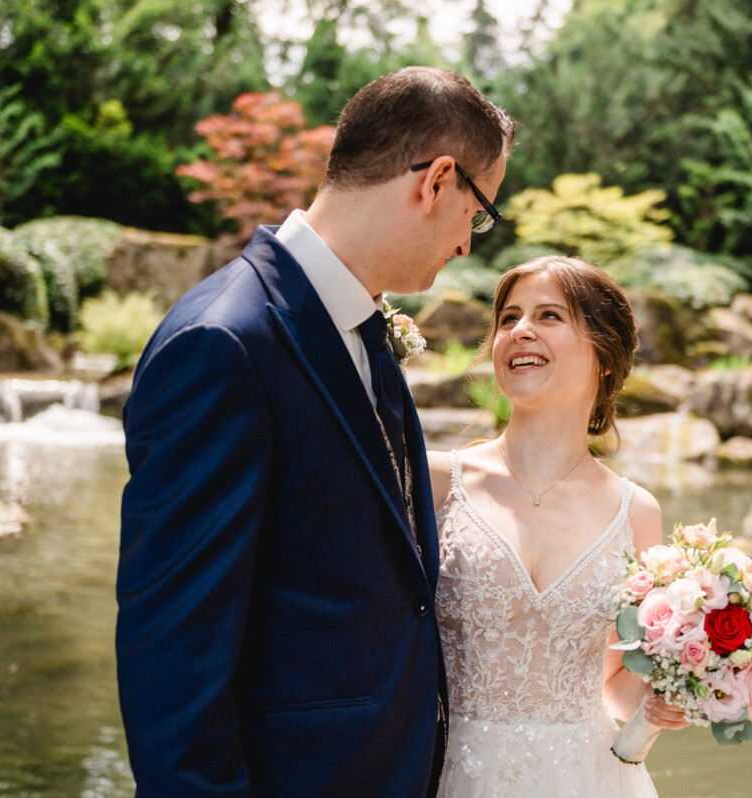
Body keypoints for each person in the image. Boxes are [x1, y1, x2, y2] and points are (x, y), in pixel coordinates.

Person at [116, 66, 515, 797]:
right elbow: (170, 652)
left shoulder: (361, 326)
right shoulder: (223, 343)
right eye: (479, 213)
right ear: (437, 182)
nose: (466, 246)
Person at [427, 256, 689, 797]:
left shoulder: (636, 511)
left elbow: (615, 682)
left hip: (586, 778)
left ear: (606, 357)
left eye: (549, 316)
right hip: (452, 772)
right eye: (508, 319)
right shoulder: (434, 481)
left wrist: (672, 694)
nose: (520, 330)